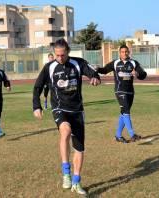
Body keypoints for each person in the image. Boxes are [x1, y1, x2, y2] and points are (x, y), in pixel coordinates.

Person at [32, 38, 100, 195]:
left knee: (79, 148)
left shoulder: (78, 63)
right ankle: (66, 173)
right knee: (65, 131)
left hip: (77, 110)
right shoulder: (49, 67)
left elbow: (93, 72)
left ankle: (76, 182)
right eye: (57, 55)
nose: (60, 58)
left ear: (68, 52)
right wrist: (36, 106)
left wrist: (95, 78)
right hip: (59, 108)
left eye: (62, 55)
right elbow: (37, 87)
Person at [97, 45, 147, 143]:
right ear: (119, 53)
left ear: (129, 52)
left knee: (123, 113)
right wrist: (98, 68)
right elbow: (104, 70)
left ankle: (118, 135)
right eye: (122, 52)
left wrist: (137, 74)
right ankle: (132, 134)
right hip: (120, 90)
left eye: (126, 51)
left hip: (130, 91)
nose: (124, 53)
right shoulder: (115, 63)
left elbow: (143, 75)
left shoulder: (133, 63)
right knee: (126, 111)